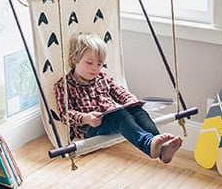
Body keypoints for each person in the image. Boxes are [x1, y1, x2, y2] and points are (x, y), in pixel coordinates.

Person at [54, 32, 182, 164]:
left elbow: (118, 91)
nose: (94, 68)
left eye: (99, 64)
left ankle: (160, 146)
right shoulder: (63, 86)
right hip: (91, 126)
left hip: (111, 117)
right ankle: (149, 143)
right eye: (89, 62)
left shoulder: (102, 78)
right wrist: (86, 118)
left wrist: (131, 101)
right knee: (120, 115)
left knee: (136, 111)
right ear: (74, 58)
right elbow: (65, 114)